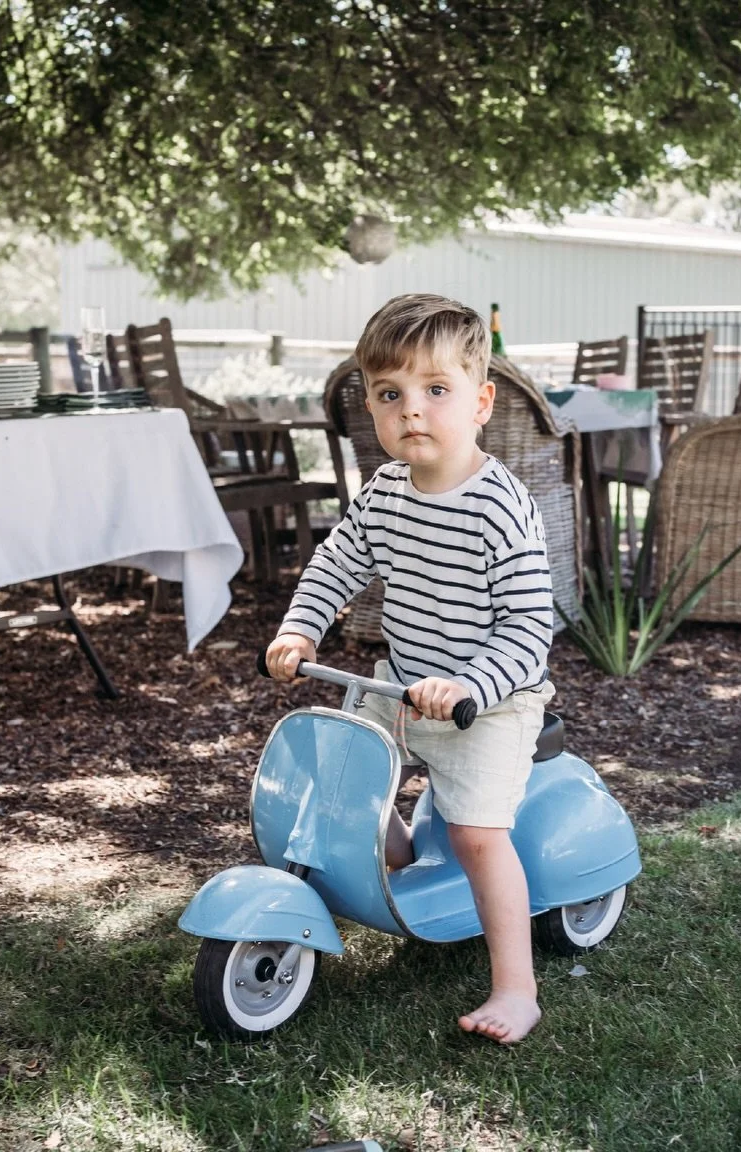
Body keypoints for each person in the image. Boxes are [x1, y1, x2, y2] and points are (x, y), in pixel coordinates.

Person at [265, 294, 554, 1044]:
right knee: (346, 780)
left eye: (436, 391)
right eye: (391, 394)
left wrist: (470, 687)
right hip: (402, 682)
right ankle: (394, 857)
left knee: (477, 835)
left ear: (481, 401)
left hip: (485, 704)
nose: (412, 411)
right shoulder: (387, 491)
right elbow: (339, 561)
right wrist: (302, 626)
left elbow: (530, 629)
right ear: (371, 406)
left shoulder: (498, 506)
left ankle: (516, 987)